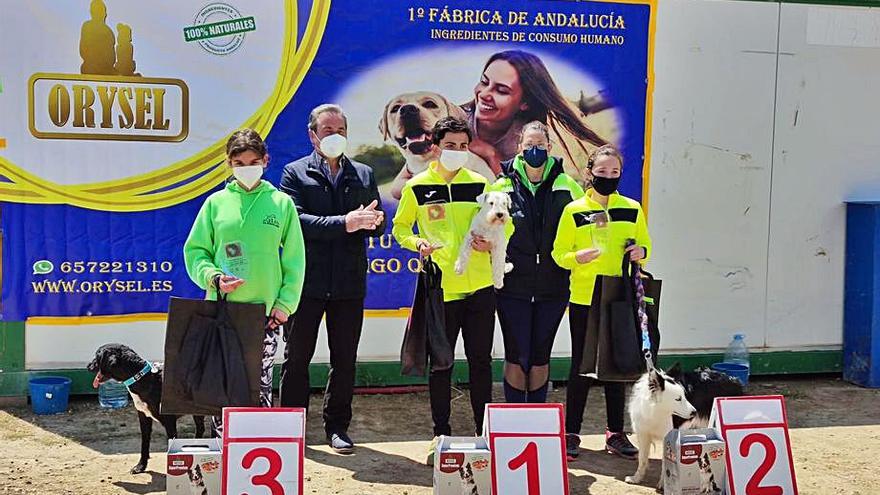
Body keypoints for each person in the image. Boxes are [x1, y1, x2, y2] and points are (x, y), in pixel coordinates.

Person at [183, 128, 306, 436]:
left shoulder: (281, 204)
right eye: (239, 162)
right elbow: (195, 251)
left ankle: (256, 448)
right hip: (222, 314)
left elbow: (295, 260)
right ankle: (221, 456)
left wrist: (284, 305)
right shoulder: (215, 204)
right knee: (220, 387)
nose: (246, 168)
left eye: (253, 161)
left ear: (265, 160)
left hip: (264, 315)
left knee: (259, 386)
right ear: (229, 164)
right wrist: (212, 277)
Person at [278, 104, 385, 454]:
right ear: (312, 135)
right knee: (297, 358)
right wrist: (345, 223)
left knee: (344, 359)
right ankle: (291, 426)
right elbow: (297, 223)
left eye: (340, 130)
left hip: (348, 284)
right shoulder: (295, 173)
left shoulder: (364, 174)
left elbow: (376, 220)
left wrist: (373, 222)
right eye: (327, 130)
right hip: (306, 283)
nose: (335, 136)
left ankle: (337, 426)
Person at [392, 116, 498, 463]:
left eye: (463, 146)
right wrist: (417, 242)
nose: (457, 152)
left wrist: (491, 244)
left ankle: (486, 432)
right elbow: (400, 228)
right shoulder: (417, 186)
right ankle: (441, 433)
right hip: (441, 288)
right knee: (442, 364)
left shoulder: (481, 183)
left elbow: (500, 226)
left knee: (481, 362)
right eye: (450, 146)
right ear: (435, 147)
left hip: (481, 286)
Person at [551, 144, 651, 460]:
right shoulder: (574, 210)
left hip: (618, 297)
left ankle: (615, 434)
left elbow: (645, 244)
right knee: (582, 365)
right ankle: (571, 433)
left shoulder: (632, 208)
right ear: (590, 172)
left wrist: (641, 253)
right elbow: (558, 253)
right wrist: (575, 257)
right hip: (584, 297)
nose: (608, 177)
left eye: (615, 172)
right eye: (602, 171)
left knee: (616, 365)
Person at [489, 121, 584, 404]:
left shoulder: (567, 185)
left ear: (549, 148)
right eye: (528, 145)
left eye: (540, 146)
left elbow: (587, 223)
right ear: (519, 148)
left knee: (541, 354)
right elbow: (485, 225)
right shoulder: (501, 185)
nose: (534, 150)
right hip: (512, 285)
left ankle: (537, 416)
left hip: (553, 286)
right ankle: (516, 416)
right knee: (517, 354)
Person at [462, 50, 608, 176]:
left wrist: (491, 156)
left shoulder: (526, 140)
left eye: (501, 91)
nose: (484, 94)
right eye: (484, 82)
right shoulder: (455, 118)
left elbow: (516, 193)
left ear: (524, 103)